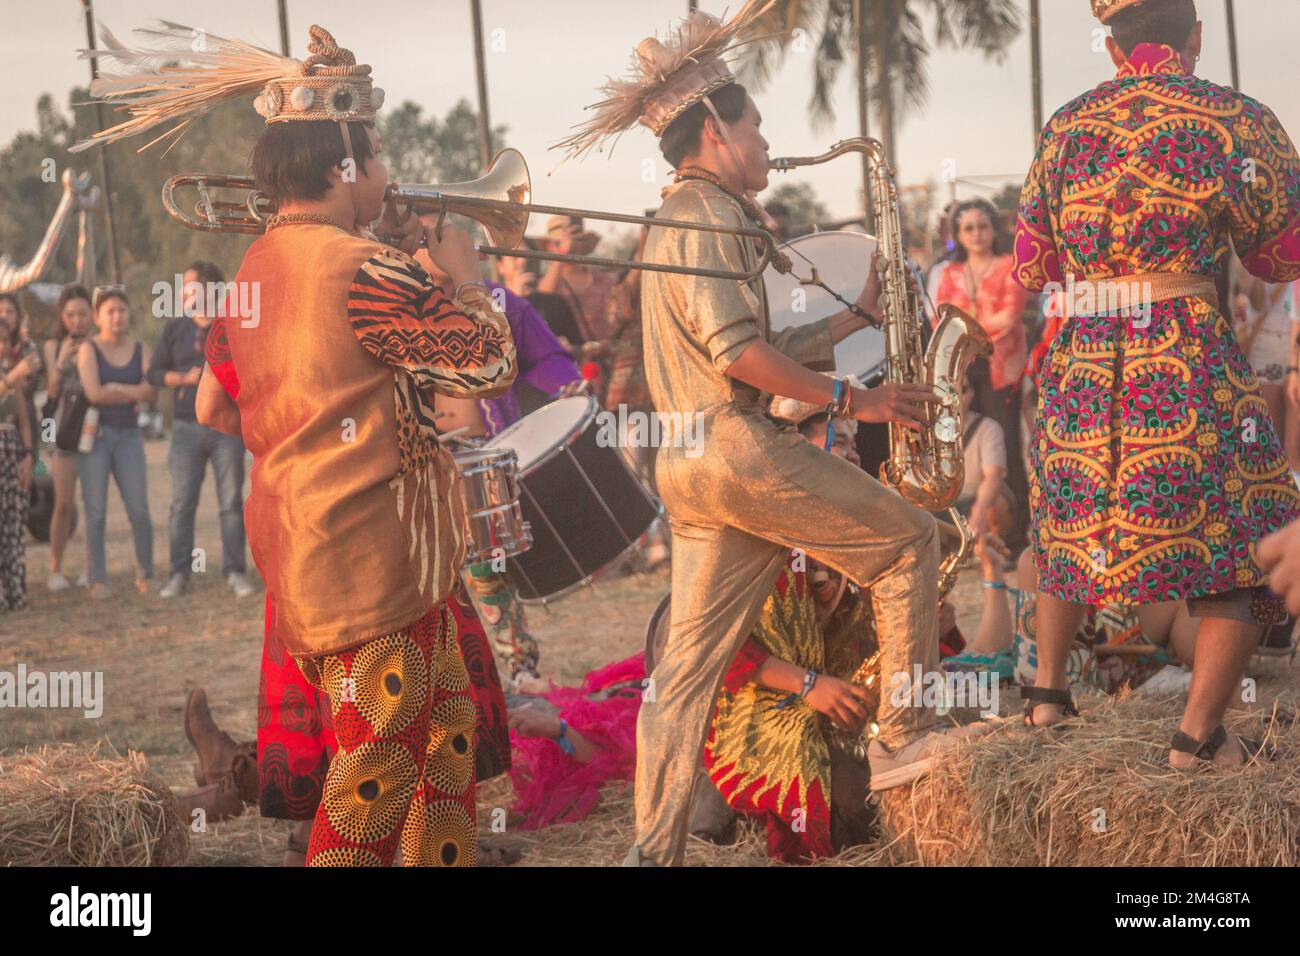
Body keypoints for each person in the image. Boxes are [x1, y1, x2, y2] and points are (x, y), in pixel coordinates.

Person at [78, 22, 518, 867]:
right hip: (369, 566)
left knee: (444, 738)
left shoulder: (254, 267)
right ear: (343, 167)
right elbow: (490, 364)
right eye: (379, 156)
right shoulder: (358, 267)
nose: (389, 175)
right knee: (377, 770)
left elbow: (239, 401)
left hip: (337, 553)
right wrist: (464, 275)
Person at [556, 3, 980, 867]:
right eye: (755, 125)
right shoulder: (708, 213)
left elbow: (748, 348)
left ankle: (651, 852)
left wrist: (844, 324)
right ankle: (905, 737)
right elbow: (739, 353)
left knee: (682, 673)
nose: (766, 140)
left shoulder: (688, 213)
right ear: (714, 128)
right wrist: (850, 400)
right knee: (911, 542)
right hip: (738, 451)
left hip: (691, 468)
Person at [1013, 0, 1300, 767]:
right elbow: (1279, 256)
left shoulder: (1067, 126)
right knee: (1253, 533)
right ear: (1195, 37)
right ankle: (1196, 739)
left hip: (1080, 359)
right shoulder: (1237, 119)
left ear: (1113, 48)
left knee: (1067, 520)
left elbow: (1034, 264)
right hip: (1181, 352)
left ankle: (1046, 699)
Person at [419, 248, 581, 685]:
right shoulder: (397, 304)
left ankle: (519, 666)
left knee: (488, 565)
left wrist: (564, 386)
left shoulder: (496, 301)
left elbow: (546, 356)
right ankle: (446, 678)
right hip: (421, 456)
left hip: (484, 451)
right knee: (431, 573)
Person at [148, 260, 254, 600]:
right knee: (182, 503)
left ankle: (236, 572)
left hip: (227, 428)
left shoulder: (233, 325)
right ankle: (180, 574)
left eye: (190, 286)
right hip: (185, 427)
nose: (184, 293)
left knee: (231, 502)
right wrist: (183, 379)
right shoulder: (175, 328)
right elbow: (154, 374)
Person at [930, 198, 1030, 540]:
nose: (976, 234)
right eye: (968, 228)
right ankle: (966, 532)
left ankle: (1015, 537)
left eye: (982, 226)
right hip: (962, 369)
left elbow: (1010, 315)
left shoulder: (1008, 265)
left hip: (1002, 368)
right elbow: (939, 316)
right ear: (958, 234)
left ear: (993, 230)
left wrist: (967, 335)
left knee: (1007, 448)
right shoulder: (950, 272)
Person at [75, 286, 156, 599]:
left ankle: (145, 573)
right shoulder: (88, 349)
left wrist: (118, 387)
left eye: (122, 309)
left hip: (130, 437)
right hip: (95, 438)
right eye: (110, 311)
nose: (118, 315)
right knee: (95, 512)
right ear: (98, 317)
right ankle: (98, 579)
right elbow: (93, 393)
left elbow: (151, 391)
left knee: (139, 509)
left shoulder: (141, 349)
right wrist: (133, 390)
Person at [42, 284, 92, 590]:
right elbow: (50, 394)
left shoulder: (98, 343)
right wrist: (61, 363)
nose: (77, 320)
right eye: (71, 315)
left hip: (92, 429)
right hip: (61, 430)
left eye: (82, 313)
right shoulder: (52, 345)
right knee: (63, 503)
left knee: (92, 504)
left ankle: (91, 567)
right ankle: (56, 568)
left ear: (91, 315)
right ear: (62, 316)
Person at [0, 294, 35, 610]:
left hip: (11, 451)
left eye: (3, 341)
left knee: (12, 524)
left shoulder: (14, 375)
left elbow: (24, 419)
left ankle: (15, 592)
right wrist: (11, 377)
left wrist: (27, 454)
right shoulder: (11, 375)